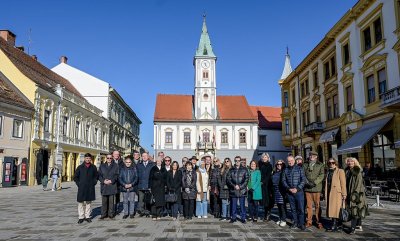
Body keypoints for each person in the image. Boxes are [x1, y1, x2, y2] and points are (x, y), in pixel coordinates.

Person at [282, 155, 306, 230]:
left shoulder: (300, 169)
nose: (290, 162)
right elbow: (283, 181)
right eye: (288, 161)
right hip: (290, 192)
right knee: (293, 209)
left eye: (291, 160)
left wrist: (297, 188)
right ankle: (295, 222)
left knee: (301, 209)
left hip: (299, 192)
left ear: (294, 161)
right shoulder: (285, 170)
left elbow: (303, 180)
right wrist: (289, 188)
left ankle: (301, 223)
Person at [74, 153, 98, 224]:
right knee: (80, 203)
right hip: (82, 187)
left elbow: (96, 176)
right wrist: (79, 184)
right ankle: (81, 217)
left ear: (91, 159)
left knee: (88, 202)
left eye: (89, 158)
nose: (88, 159)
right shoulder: (80, 167)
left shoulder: (93, 167)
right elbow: (75, 177)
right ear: (84, 159)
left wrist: (94, 182)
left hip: (90, 187)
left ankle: (87, 216)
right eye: (86, 158)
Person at [345, 157, 368, 234]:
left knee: (354, 209)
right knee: (358, 209)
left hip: (356, 193)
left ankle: (352, 228)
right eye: (348, 161)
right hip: (349, 192)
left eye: (352, 161)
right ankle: (359, 226)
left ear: (355, 162)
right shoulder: (347, 170)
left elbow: (358, 184)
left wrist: (355, 194)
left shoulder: (357, 170)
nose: (350, 163)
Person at [303, 151, 325, 229]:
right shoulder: (305, 164)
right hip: (307, 188)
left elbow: (322, 175)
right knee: (309, 206)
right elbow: (303, 174)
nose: (311, 156)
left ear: (316, 156)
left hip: (316, 188)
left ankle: (319, 221)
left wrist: (315, 182)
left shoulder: (320, 165)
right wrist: (307, 182)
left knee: (317, 206)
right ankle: (309, 221)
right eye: (310, 155)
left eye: (313, 155)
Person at [325, 158, 346, 232]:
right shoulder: (328, 171)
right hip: (329, 192)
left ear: (335, 163)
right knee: (332, 208)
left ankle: (335, 225)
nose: (331, 164)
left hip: (337, 193)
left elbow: (343, 184)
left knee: (336, 209)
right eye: (329, 163)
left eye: (332, 162)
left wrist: (344, 194)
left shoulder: (340, 171)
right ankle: (338, 224)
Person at [227, 156, 249, 223]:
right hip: (233, 190)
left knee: (242, 206)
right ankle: (233, 217)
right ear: (234, 161)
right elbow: (228, 179)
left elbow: (246, 179)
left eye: (238, 160)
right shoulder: (231, 170)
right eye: (236, 160)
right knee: (234, 205)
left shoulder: (244, 169)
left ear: (240, 161)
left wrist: (240, 186)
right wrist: (234, 186)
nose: (237, 162)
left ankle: (243, 218)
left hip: (242, 190)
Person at [98, 153, 119, 220]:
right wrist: (103, 181)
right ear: (106, 158)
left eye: (110, 158)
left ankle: (111, 214)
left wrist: (111, 181)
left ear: (112, 158)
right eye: (108, 158)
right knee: (104, 201)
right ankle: (103, 214)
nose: (109, 159)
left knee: (111, 202)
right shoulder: (102, 166)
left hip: (112, 185)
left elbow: (117, 175)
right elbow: (99, 175)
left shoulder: (115, 166)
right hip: (104, 185)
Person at [137, 152, 155, 216]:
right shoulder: (139, 164)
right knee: (141, 200)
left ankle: (148, 211)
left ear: (148, 157)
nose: (144, 157)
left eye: (145, 156)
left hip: (148, 185)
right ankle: (142, 211)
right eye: (143, 156)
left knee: (148, 199)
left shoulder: (152, 164)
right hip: (141, 185)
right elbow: (137, 175)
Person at [259, 153, 274, 221]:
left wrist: (263, 182)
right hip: (262, 185)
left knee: (268, 200)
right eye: (263, 157)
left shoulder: (269, 165)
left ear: (268, 158)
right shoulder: (260, 165)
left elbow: (268, 175)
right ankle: (265, 213)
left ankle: (268, 213)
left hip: (268, 185)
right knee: (264, 200)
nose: (264, 158)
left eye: (265, 157)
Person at [272, 160, 287, 227]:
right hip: (276, 190)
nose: (279, 165)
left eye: (281, 164)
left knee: (282, 206)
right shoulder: (275, 172)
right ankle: (280, 218)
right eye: (278, 164)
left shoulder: (284, 171)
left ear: (283, 165)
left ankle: (284, 220)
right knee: (278, 205)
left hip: (282, 190)